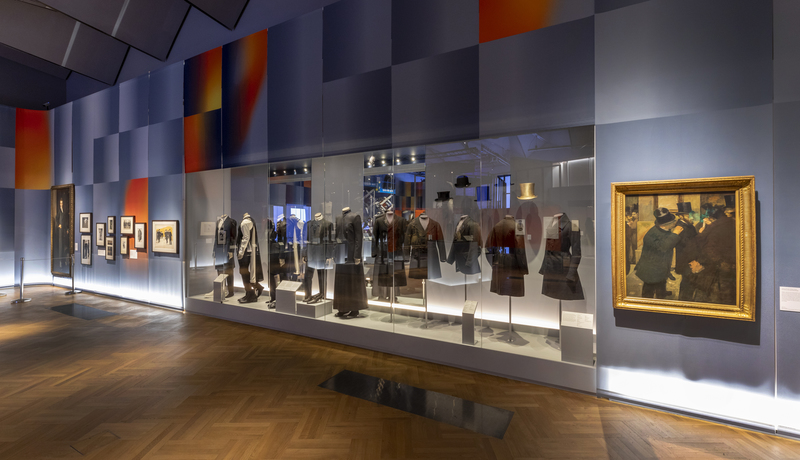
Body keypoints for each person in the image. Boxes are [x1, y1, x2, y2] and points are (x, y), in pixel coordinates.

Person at [685, 203, 736, 305]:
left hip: (718, 265)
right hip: (714, 265)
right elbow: (702, 246)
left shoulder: (719, 226)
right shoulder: (710, 226)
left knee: (719, 291)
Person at [634, 208, 684, 299]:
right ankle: (646, 304)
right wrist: (675, 234)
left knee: (661, 282)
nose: (675, 223)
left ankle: (661, 294)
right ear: (666, 225)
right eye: (673, 222)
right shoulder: (652, 234)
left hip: (660, 267)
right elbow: (664, 247)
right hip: (650, 269)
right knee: (649, 289)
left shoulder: (663, 229)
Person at [673, 202, 698, 301]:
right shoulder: (679, 227)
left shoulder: (690, 226)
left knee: (690, 281)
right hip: (685, 260)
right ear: (681, 216)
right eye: (688, 215)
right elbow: (686, 244)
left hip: (691, 258)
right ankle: (683, 303)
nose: (691, 217)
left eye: (691, 215)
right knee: (686, 282)